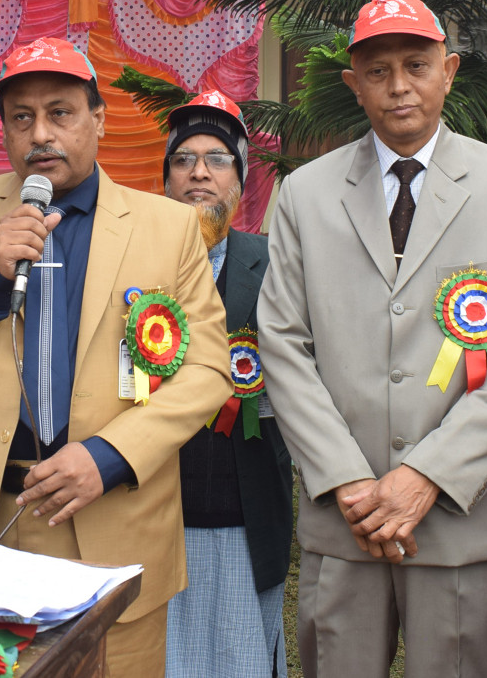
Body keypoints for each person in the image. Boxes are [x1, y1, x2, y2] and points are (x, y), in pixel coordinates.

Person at [0, 38, 232, 678]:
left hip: (109, 516)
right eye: (22, 117)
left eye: (60, 113)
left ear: (97, 120)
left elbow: (208, 369)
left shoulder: (166, 226)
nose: (40, 134)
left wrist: (109, 455)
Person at [257, 0, 487, 677]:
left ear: (449, 71)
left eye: (417, 65)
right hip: (346, 515)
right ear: (352, 83)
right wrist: (347, 480)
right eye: (378, 69)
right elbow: (282, 341)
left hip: (455, 516)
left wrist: (428, 474)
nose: (399, 86)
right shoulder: (306, 194)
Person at [159, 91, 293, 677]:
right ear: (165, 179)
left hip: (246, 502)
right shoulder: (137, 265)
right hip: (155, 501)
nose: (199, 174)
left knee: (240, 652)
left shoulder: (274, 264)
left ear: (239, 181)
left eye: (217, 159)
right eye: (184, 160)